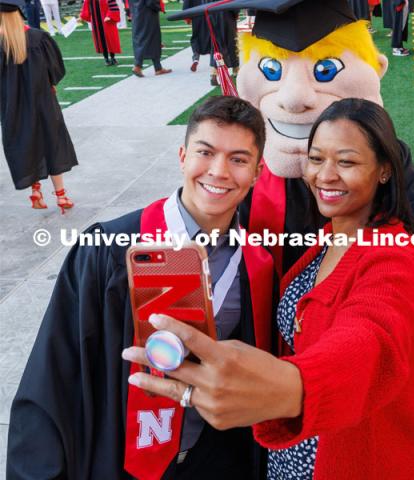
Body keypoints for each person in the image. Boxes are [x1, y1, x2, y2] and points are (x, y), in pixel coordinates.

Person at [124, 98, 414, 480]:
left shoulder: (398, 255)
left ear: (384, 171)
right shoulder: (324, 241)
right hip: (293, 447)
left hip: (356, 455)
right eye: (315, 158)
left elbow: (372, 337)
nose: (325, 175)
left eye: (346, 162)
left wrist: (296, 388)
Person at [171, 0, 414, 401]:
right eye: (272, 71)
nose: (294, 98)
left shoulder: (383, 160)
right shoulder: (252, 158)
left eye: (325, 71)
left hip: (350, 340)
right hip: (270, 337)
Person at [7, 96, 274, 479]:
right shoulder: (110, 249)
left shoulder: (257, 264)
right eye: (205, 152)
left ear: (257, 171)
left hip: (217, 460)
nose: (219, 171)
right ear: (182, 156)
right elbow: (55, 371)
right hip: (120, 459)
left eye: (238, 159)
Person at [0, 0, 76, 212]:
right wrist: (50, 83)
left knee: (27, 144)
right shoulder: (37, 37)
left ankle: (35, 191)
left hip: (12, 107)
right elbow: (57, 69)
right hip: (43, 102)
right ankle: (61, 196)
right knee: (51, 142)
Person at [130, 0, 171, 77]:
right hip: (148, 15)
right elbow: (151, 2)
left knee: (141, 39)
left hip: (136, 13)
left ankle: (157, 67)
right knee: (151, 39)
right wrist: (158, 7)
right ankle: (138, 66)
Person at [80, 0, 121, 66]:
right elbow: (86, 7)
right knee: (101, 41)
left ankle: (113, 58)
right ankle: (106, 59)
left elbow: (113, 6)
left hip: (107, 22)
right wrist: (81, 17)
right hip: (96, 23)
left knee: (110, 40)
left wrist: (109, 15)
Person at [183, 0, 210, 72]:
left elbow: (187, 2)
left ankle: (196, 57)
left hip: (196, 14)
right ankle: (214, 59)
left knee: (196, 37)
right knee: (211, 36)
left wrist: (186, 16)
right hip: (210, 12)